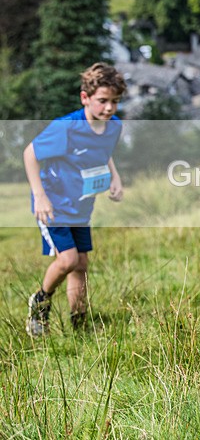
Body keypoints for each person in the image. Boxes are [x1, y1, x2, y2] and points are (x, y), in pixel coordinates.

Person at [25, 62, 126, 336]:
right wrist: (40, 196)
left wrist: (115, 177)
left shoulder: (113, 126)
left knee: (81, 264)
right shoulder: (66, 127)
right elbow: (30, 154)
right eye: (103, 101)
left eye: (115, 102)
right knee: (68, 260)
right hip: (53, 206)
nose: (109, 108)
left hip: (82, 205)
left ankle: (79, 324)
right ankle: (40, 302)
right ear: (85, 98)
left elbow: (103, 152)